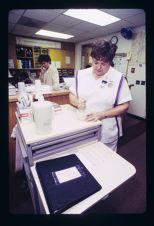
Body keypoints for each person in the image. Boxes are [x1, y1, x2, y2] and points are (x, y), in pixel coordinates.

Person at [69, 39, 132, 152]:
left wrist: (102, 114)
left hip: (106, 130)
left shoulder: (118, 78)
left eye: (103, 64)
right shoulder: (81, 74)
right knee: (84, 159)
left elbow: (125, 105)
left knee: (105, 162)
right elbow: (71, 95)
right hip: (83, 127)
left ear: (110, 62)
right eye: (95, 62)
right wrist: (77, 102)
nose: (98, 67)